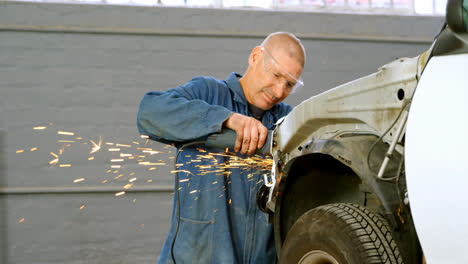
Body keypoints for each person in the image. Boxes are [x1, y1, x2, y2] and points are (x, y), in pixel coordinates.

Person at [137, 32, 306, 263]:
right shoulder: (208, 93)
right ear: (255, 56)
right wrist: (225, 118)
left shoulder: (287, 120)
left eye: (289, 84)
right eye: (276, 75)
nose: (279, 91)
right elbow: (149, 112)